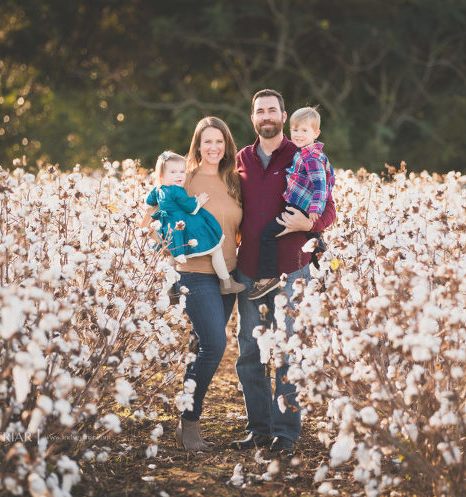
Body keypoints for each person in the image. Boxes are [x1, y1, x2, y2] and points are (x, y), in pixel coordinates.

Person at [231, 89, 337, 455]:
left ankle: (286, 432)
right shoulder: (242, 158)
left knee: (289, 351)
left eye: (272, 110)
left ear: (284, 115)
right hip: (249, 269)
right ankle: (259, 428)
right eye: (260, 110)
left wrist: (306, 223)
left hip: (291, 270)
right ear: (253, 118)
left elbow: (329, 211)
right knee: (249, 351)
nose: (266, 116)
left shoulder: (303, 154)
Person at [144, 117, 243, 451]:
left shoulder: (234, 180)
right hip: (195, 274)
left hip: (227, 273)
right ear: (197, 146)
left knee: (202, 345)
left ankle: (185, 414)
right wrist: (169, 249)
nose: (214, 148)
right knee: (215, 344)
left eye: (220, 142)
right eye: (207, 142)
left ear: (227, 145)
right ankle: (190, 424)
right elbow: (150, 218)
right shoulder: (181, 178)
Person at [247, 106, 335, 300]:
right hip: (299, 205)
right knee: (314, 241)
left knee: (269, 234)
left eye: (304, 131)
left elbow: (321, 185)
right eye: (295, 130)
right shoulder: (303, 153)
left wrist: (314, 210)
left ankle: (267, 278)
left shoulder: (311, 156)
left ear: (316, 133)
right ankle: (329, 274)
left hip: (300, 207)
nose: (299, 134)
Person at [145, 150, 245, 294]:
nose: (179, 175)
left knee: (171, 256)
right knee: (215, 248)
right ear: (161, 175)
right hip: (184, 225)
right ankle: (226, 281)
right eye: (173, 172)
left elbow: (149, 202)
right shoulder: (176, 191)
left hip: (168, 227)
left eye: (181, 171)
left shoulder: (158, 189)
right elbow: (190, 207)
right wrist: (200, 200)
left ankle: (168, 288)